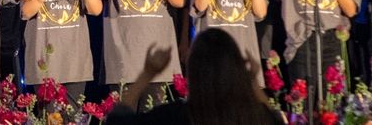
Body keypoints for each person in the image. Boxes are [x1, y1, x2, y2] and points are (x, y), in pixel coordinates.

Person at [106, 29, 281, 125]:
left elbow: (117, 121)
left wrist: (148, 73)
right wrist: (251, 81)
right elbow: (277, 119)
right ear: (238, 68)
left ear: (192, 69)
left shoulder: (175, 116)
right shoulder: (254, 117)